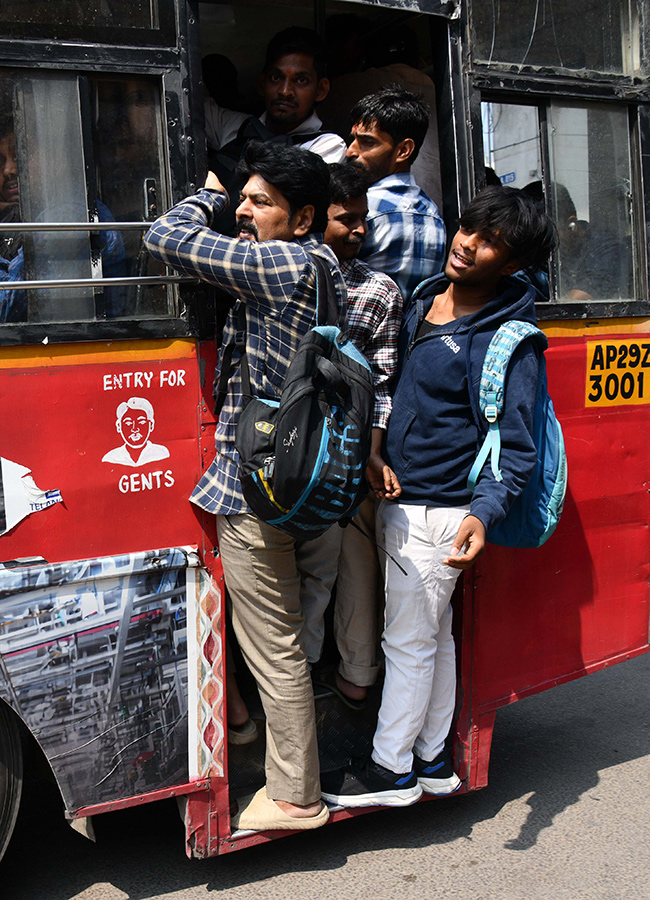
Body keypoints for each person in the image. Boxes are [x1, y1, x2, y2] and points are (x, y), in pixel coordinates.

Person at [321, 185, 557, 807]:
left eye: (489, 243)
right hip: (405, 498)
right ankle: (430, 760)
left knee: (407, 640)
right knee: (432, 636)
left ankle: (389, 770)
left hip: (439, 510)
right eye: (469, 228)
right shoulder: (427, 298)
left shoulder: (511, 338)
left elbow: (517, 445)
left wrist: (484, 512)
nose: (466, 244)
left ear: (511, 264)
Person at [145, 141, 346, 832]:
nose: (243, 210)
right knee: (283, 630)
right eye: (244, 197)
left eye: (260, 202)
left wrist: (208, 190)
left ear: (303, 217)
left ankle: (296, 795)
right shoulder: (324, 265)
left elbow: (163, 237)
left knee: (275, 644)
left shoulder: (279, 263)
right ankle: (260, 741)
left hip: (256, 489)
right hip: (304, 481)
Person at [301, 163, 402, 706]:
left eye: (364, 220)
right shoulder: (292, 269)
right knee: (322, 570)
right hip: (308, 453)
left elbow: (383, 383)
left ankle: (336, 675)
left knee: (326, 571)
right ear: (314, 220)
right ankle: (330, 674)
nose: (360, 231)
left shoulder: (380, 290)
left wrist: (372, 451)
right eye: (348, 220)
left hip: (339, 453)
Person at [346, 84, 446, 300]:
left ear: (403, 150)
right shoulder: (434, 215)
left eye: (367, 142)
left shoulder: (364, 209)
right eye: (353, 140)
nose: (351, 151)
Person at [204, 27, 346, 164]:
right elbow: (191, 107)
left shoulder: (326, 147)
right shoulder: (237, 127)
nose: (285, 91)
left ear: (321, 90)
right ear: (262, 84)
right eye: (276, 78)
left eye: (301, 80)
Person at [102, 397, 169, 467]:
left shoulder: (162, 454)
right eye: (128, 423)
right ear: (119, 426)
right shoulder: (111, 459)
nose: (134, 429)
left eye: (141, 422)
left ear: (151, 425)